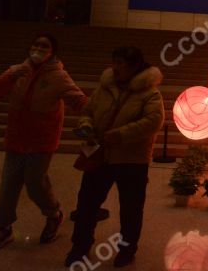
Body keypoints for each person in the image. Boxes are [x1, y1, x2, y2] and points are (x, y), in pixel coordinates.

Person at [0, 34, 87, 253]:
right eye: (36, 45)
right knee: (8, 185)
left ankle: (53, 214)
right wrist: (10, 77)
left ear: (52, 52)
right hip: (16, 139)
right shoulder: (17, 71)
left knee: (34, 183)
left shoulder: (58, 76)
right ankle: (3, 228)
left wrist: (94, 114)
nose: (39, 49)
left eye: (45, 46)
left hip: (42, 141)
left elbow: (79, 101)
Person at [66, 47, 164, 268]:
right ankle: (79, 248)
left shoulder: (150, 93)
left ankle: (127, 250)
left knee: (130, 209)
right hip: (100, 156)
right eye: (115, 62)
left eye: (122, 63)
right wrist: (86, 126)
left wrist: (119, 135)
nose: (116, 67)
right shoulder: (105, 88)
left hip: (132, 161)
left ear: (135, 66)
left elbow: (152, 122)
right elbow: (88, 111)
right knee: (87, 205)